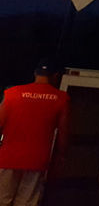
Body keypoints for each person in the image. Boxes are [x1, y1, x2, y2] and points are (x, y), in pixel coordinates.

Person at [0, 59, 70, 206]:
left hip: (7, 159)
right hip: (37, 161)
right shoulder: (61, 99)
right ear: (56, 75)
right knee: (26, 202)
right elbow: (63, 133)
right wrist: (61, 158)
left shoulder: (12, 94)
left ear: (35, 73)